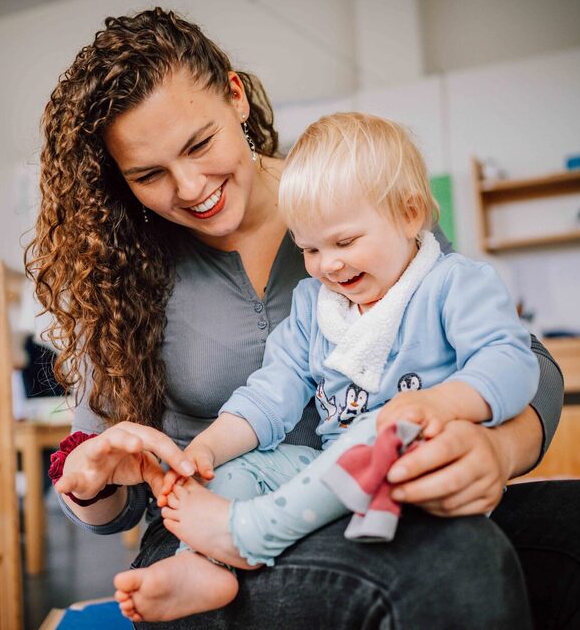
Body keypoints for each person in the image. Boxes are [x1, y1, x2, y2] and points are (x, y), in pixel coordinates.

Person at [29, 8, 580, 629]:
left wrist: (498, 452)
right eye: (148, 175)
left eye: (200, 142)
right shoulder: (118, 271)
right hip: (212, 528)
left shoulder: (350, 191)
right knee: (449, 560)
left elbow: (519, 358)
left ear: (235, 97)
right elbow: (98, 480)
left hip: (382, 489)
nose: (188, 188)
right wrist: (89, 481)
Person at [114, 112, 540, 621]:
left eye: (344, 242)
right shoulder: (316, 304)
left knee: (378, 430)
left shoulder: (454, 285)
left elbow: (511, 360)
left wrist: (440, 402)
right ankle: (202, 564)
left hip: (414, 468)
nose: (328, 265)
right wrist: (207, 447)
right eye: (309, 248)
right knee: (238, 467)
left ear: (409, 214)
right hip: (333, 467)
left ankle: (248, 535)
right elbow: (272, 390)